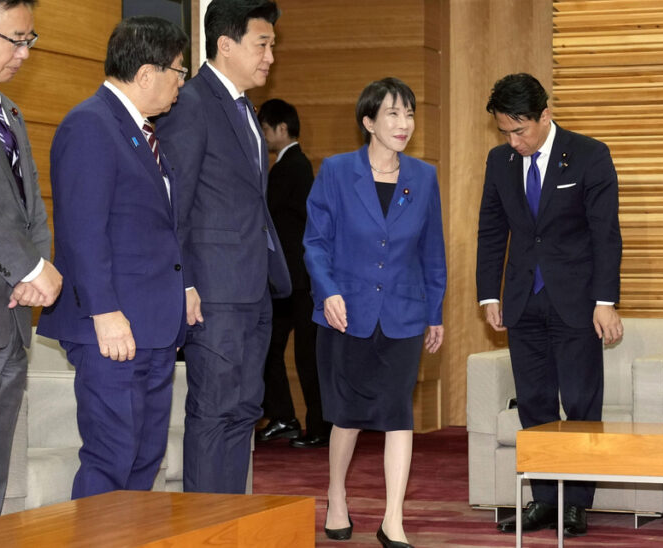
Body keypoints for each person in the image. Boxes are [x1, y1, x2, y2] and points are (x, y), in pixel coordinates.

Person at [37, 16, 189, 499]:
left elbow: (154, 226)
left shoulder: (139, 130)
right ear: (147, 73)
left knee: (145, 458)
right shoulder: (91, 124)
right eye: (178, 72)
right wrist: (104, 311)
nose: (181, 84)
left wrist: (184, 286)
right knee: (111, 456)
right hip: (112, 325)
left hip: (152, 324)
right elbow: (83, 231)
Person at [476, 73, 623, 538]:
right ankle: (544, 500)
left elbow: (605, 234)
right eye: (505, 131)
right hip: (523, 300)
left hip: (577, 302)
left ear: (545, 115)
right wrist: (489, 293)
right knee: (535, 404)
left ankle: (577, 503)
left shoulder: (588, 154)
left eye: (520, 130)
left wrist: (605, 301)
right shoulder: (499, 162)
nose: (513, 140)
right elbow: (492, 231)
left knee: (580, 403)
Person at [155, 0, 290, 494]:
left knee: (243, 411)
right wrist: (185, 281)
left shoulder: (243, 110)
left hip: (252, 289)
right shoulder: (191, 104)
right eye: (263, 44)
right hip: (212, 291)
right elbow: (176, 204)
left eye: (273, 45)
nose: (271, 56)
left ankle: (230, 526)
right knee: (214, 412)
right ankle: (205, 531)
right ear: (225, 45)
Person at [304, 77, 446, 547]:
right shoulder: (337, 171)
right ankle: (337, 495)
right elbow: (316, 244)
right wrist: (327, 291)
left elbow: (432, 251)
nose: (403, 124)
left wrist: (435, 312)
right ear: (368, 121)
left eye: (409, 114)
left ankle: (393, 520)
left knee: (397, 413)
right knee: (346, 415)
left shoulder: (423, 177)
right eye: (392, 114)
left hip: (404, 314)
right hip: (347, 313)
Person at [0, 0, 62, 519]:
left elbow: (32, 207)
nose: (24, 53)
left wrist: (39, 277)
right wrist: (31, 270)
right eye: (15, 38)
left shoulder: (8, 112)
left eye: (30, 39)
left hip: (9, 315)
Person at [255, 98, 331, 448]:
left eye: (267, 128)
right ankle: (285, 416)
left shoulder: (295, 167)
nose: (264, 135)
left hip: (299, 281)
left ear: (281, 129)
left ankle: (319, 427)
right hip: (289, 281)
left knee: (307, 356)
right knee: (274, 348)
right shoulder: (288, 166)